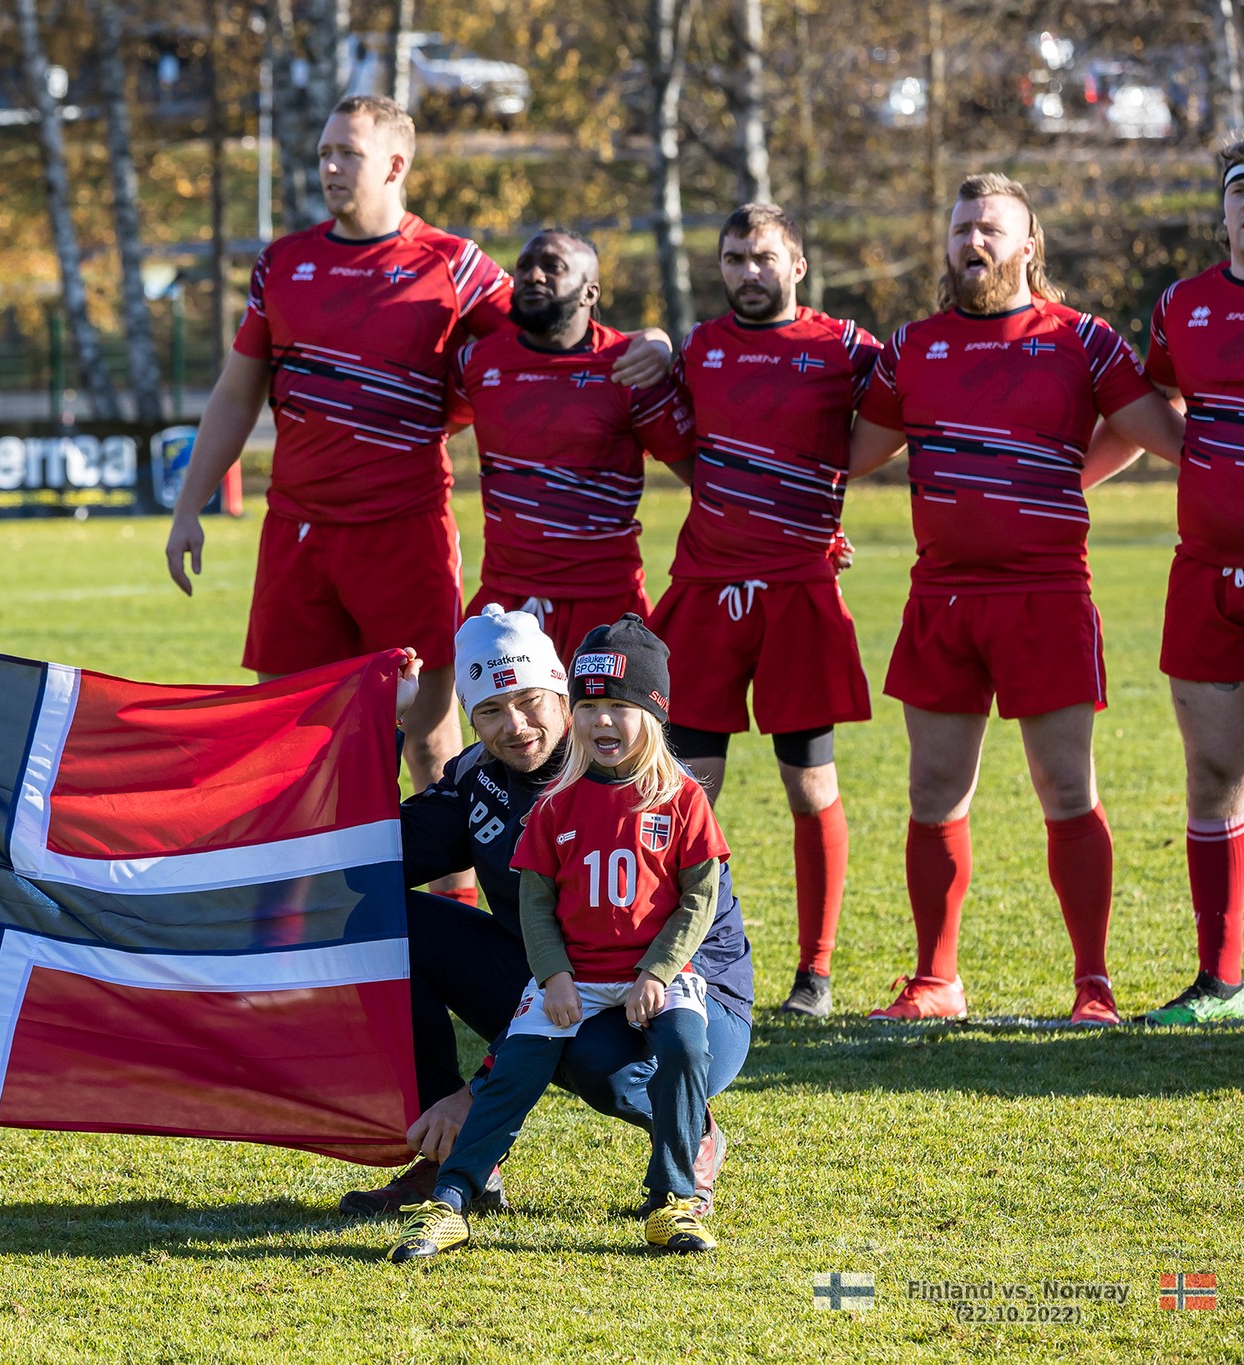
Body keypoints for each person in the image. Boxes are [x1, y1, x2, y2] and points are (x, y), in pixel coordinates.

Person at [162, 95, 672, 858]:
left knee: (429, 746)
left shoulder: (454, 264)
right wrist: (189, 502)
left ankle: (448, 925)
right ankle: (304, 927)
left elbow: (556, 325)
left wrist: (653, 339)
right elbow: (238, 391)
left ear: (396, 165)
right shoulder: (283, 263)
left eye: (349, 153)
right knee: (291, 741)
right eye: (326, 151)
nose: (331, 166)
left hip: (406, 531)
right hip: (296, 531)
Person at [847, 173, 1184, 1024]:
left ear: (1030, 245)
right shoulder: (913, 345)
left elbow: (1169, 433)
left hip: (1046, 593)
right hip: (943, 597)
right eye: (962, 229)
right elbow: (846, 457)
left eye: (990, 229)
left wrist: (1067, 479)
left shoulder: (1082, 340)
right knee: (932, 791)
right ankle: (936, 979)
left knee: (1067, 789)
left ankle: (1093, 983)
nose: (973, 244)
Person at [339, 605, 751, 1221]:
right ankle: (456, 1157)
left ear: (563, 692)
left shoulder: (640, 781)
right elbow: (365, 861)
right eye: (490, 711)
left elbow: (659, 933)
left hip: (681, 987)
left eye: (531, 700)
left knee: (595, 1059)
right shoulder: (480, 778)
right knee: (386, 923)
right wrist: (387, 725)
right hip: (561, 974)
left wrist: (478, 1089)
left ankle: (692, 1130)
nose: (515, 726)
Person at [651, 204, 881, 1019]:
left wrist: (827, 515)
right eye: (735, 258)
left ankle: (814, 973)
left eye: (764, 257)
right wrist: (648, 349)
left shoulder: (845, 347)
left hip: (797, 593)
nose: (750, 272)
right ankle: (683, 959)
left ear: (798, 266)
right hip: (707, 591)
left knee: (810, 783)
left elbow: (904, 406)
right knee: (685, 791)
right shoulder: (700, 350)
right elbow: (671, 433)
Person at [447, 229, 696, 657]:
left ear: (589, 291)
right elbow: (418, 426)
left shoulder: (629, 368)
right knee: (512, 728)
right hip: (503, 606)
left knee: (607, 727)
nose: (533, 276)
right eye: (524, 266)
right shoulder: (477, 362)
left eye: (552, 267)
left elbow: (705, 479)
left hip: (605, 606)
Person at [1139, 139, 1244, 1023]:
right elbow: (1158, 403)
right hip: (1205, 573)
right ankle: (1221, 979)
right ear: (1223, 211)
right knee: (1212, 769)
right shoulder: (1183, 306)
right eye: (1241, 189)